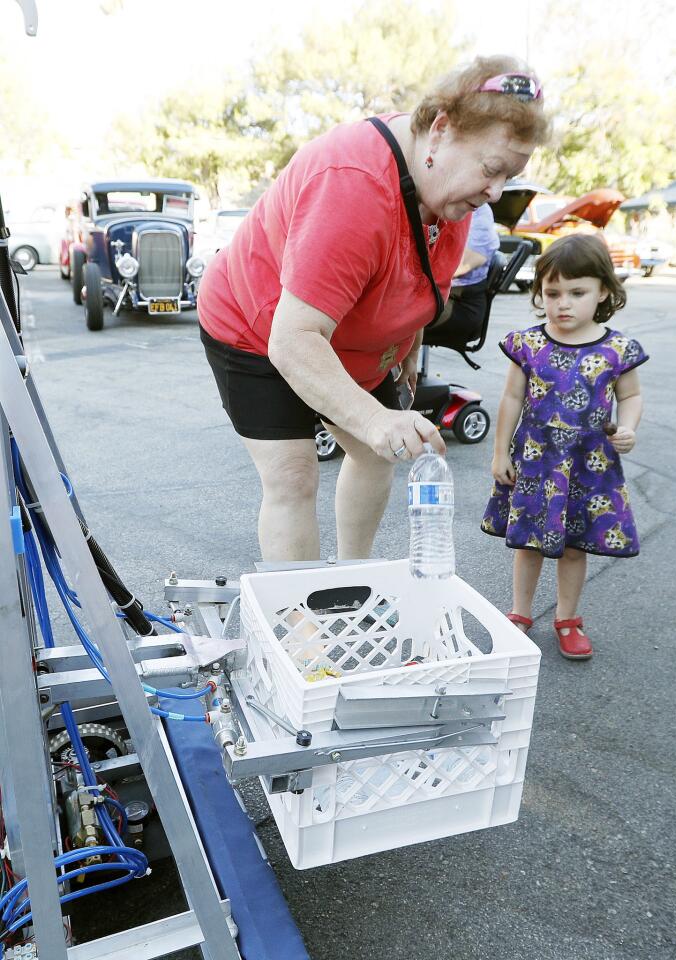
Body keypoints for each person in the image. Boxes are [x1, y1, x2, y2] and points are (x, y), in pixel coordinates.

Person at [198, 56, 548, 562]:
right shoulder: (353, 183)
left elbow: (418, 275)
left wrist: (407, 342)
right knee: (294, 475)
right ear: (441, 130)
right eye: (492, 170)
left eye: (509, 177)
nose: (494, 193)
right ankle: (300, 628)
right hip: (259, 326)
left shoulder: (450, 192)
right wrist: (376, 419)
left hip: (351, 337)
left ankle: (352, 577)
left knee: (377, 452)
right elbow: (293, 339)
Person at [481, 234, 648, 660]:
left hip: (589, 466)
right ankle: (520, 612)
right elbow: (511, 399)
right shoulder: (529, 345)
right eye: (552, 293)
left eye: (577, 292)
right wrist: (500, 452)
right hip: (537, 462)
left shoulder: (616, 349)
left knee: (574, 547)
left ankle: (568, 617)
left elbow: (630, 395)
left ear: (603, 291)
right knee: (529, 544)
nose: (563, 303)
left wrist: (628, 427)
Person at [431, 202, 501, 345]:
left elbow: (466, 263)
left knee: (398, 316)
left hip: (461, 304)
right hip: (442, 296)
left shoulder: (478, 211)